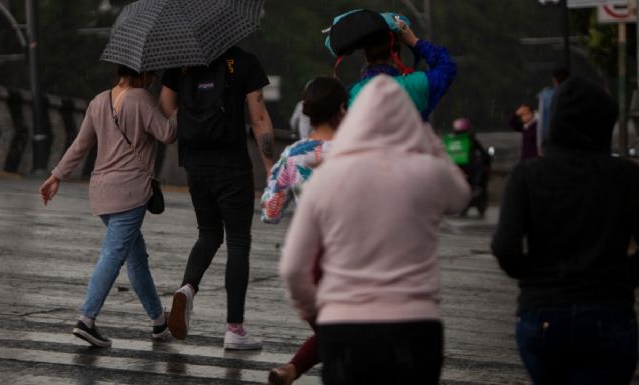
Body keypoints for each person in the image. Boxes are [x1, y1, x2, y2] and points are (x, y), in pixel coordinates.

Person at [280, 76, 470, 385]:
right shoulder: (426, 172)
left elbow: (292, 269)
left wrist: (314, 312)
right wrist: (427, 138)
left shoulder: (327, 177)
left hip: (345, 328)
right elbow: (461, 195)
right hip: (415, 327)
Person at [491, 76, 639, 385]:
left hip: (542, 312)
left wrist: (534, 276)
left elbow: (506, 247)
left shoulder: (526, 176)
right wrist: (626, 275)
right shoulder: (626, 177)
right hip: (609, 310)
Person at [38, 65, 178, 348]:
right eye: (150, 75)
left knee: (135, 255)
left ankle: (158, 321)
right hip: (129, 193)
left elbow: (81, 144)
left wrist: (56, 176)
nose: (151, 81)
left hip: (101, 192)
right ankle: (86, 319)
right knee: (114, 254)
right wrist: (177, 109)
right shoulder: (140, 98)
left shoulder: (99, 100)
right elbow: (168, 134)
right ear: (140, 75)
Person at [159, 46, 275, 350]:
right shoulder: (245, 61)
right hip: (232, 163)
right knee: (238, 241)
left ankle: (187, 288)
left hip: (195, 163)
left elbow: (166, 103)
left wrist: (192, 121)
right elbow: (259, 117)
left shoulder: (180, 61)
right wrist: (270, 167)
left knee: (208, 234)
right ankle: (235, 329)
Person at [261, 76, 348, 385]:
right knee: (349, 341)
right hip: (352, 261)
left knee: (336, 336)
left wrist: (280, 176)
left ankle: (292, 369)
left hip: (309, 265)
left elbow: (270, 212)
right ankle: (296, 368)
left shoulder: (294, 155)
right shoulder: (358, 152)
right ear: (342, 109)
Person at [347, 17, 456, 121]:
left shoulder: (351, 94)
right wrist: (415, 42)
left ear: (366, 57)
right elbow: (447, 67)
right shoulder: (416, 84)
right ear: (395, 54)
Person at [444, 118, 491, 217]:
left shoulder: (451, 140)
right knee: (480, 167)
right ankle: (477, 186)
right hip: (469, 166)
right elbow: (483, 152)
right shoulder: (471, 139)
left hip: (455, 167)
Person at [537, 67, 569, 154]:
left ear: (554, 80)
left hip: (552, 143)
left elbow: (542, 124)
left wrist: (540, 145)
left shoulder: (546, 96)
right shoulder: (575, 95)